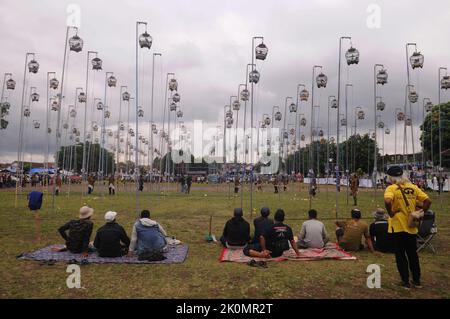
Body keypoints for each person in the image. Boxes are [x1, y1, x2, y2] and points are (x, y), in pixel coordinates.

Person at [384, 165, 431, 288]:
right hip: (411, 226)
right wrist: (421, 213)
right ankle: (416, 279)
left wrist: (390, 213)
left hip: (397, 226)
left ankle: (405, 281)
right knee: (412, 254)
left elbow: (388, 201)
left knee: (400, 255)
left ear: (391, 177)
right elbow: (427, 201)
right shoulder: (413, 187)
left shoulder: (391, 188)